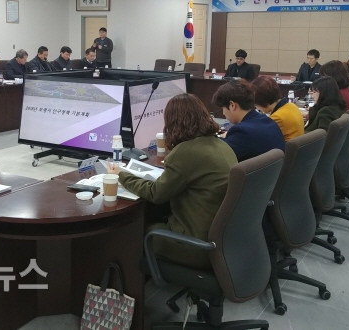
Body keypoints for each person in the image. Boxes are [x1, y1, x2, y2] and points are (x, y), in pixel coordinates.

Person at [107, 94, 237, 270]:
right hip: (222, 240)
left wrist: (122, 175)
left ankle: (129, 282)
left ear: (172, 122)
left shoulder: (186, 152)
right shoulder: (222, 145)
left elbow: (155, 193)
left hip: (196, 245)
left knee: (133, 230)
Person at [212, 79, 285, 161]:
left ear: (232, 105)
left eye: (223, 108)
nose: (223, 113)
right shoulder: (267, 120)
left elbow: (217, 156)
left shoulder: (242, 132)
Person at [252, 76, 304, 142]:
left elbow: (261, 138)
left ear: (262, 102)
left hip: (285, 148)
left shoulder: (277, 118)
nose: (257, 108)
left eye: (256, 104)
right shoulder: (292, 106)